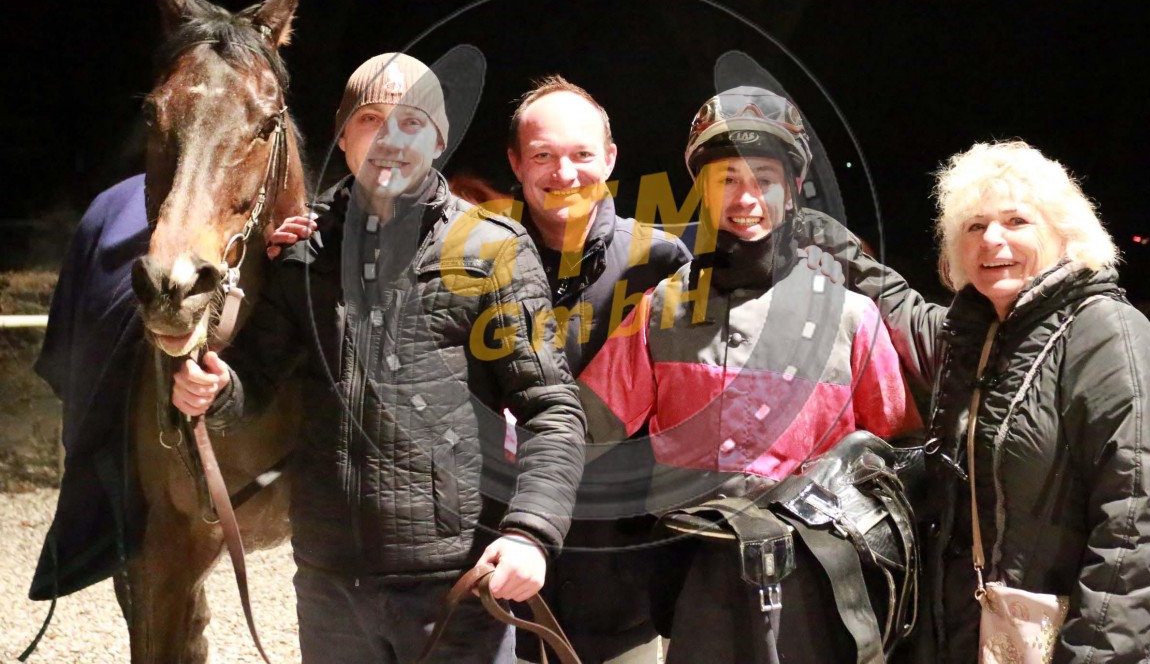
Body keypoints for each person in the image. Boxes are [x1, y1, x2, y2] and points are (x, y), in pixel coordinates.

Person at [172, 52, 587, 663]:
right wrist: (216, 390)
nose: (391, 138)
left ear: (439, 140)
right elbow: (253, 383)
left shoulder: (493, 250)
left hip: (457, 583)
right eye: (370, 119)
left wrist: (531, 533)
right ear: (343, 137)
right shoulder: (304, 255)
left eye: (412, 121)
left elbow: (552, 410)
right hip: (330, 582)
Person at [578, 86, 922, 663]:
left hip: (820, 585)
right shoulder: (661, 309)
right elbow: (587, 425)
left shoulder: (850, 316)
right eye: (727, 179)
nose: (746, 198)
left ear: (793, 188)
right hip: (696, 582)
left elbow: (895, 456)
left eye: (764, 178)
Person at [823, 140, 1150, 662]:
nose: (992, 240)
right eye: (974, 226)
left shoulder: (1104, 333)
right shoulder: (976, 334)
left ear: (1063, 233)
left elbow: (1132, 527)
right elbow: (903, 310)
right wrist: (827, 241)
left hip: (1057, 641)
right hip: (966, 632)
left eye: (1016, 221)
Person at [505, 76, 691, 663]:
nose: (564, 173)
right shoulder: (473, 258)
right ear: (516, 163)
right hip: (499, 567)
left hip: (621, 581)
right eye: (543, 155)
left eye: (582, 154)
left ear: (609, 159)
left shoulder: (662, 262)